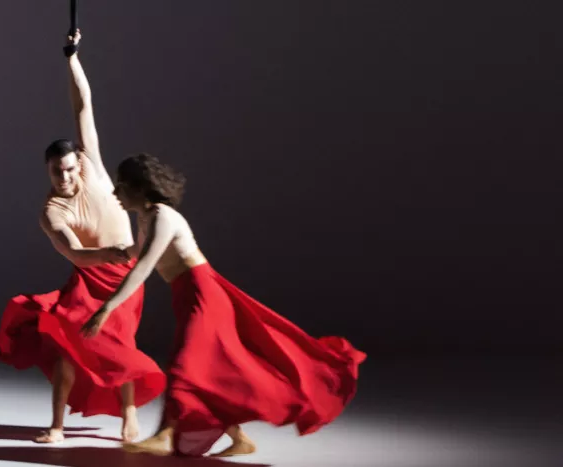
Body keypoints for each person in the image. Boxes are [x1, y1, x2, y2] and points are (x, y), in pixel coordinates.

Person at [80, 153, 367, 457]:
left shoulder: (164, 216)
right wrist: (102, 252)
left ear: (139, 188)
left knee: (185, 363)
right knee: (209, 368)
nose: (115, 192)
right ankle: (240, 439)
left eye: (121, 186)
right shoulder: (146, 218)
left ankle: (165, 434)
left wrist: (106, 307)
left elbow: (144, 267)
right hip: (185, 294)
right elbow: (135, 253)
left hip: (203, 293)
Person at [0, 29, 165, 445]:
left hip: (125, 278)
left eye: (70, 168)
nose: (67, 176)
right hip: (90, 279)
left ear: (78, 163)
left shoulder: (92, 165)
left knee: (121, 345)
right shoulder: (51, 211)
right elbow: (76, 254)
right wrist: (116, 250)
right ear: (47, 171)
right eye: (58, 171)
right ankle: (56, 426)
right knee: (69, 349)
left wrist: (72, 58)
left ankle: (129, 418)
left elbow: (82, 105)